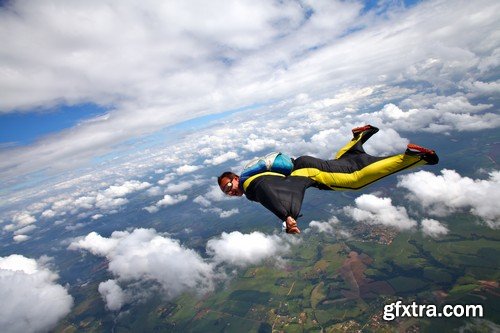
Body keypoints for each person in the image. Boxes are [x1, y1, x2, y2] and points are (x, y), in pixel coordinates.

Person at [218, 125, 438, 234]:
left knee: (355, 179)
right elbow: (270, 185)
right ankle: (358, 139)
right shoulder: (249, 174)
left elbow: (265, 190)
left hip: (306, 171)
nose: (230, 191)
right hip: (303, 165)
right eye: (226, 192)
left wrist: (285, 215)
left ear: (235, 178)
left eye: (229, 185)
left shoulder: (249, 184)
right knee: (346, 164)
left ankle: (413, 157)